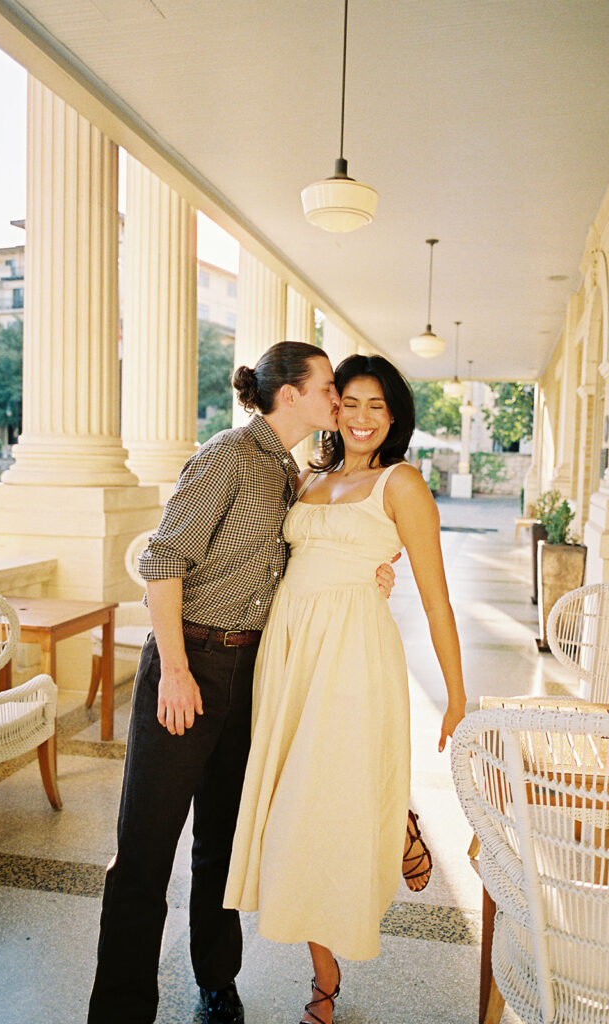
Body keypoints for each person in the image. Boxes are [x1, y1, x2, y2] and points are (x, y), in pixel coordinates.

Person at [87, 341, 396, 1024]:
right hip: (188, 664)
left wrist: (374, 574)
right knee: (144, 852)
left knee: (221, 845)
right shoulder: (227, 455)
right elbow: (163, 562)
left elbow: (311, 556)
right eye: (328, 391)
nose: (337, 404)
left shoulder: (294, 474)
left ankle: (217, 983)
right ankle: (119, 1011)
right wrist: (173, 671)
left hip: (253, 673)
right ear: (292, 395)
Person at [224, 354, 466, 1024]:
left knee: (323, 806)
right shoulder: (306, 476)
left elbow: (439, 600)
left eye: (376, 406)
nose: (360, 417)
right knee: (299, 813)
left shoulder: (403, 484)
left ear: (395, 418)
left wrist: (457, 694)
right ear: (333, 408)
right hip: (290, 654)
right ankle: (396, 837)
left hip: (356, 656)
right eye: (350, 402)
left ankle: (325, 986)